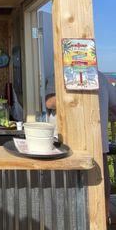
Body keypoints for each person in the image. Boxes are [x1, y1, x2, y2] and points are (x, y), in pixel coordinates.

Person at [45, 71, 116, 222]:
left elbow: (49, 103)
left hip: (89, 145)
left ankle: (102, 219)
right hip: (65, 146)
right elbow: (50, 102)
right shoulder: (57, 75)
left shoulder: (100, 77)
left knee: (99, 190)